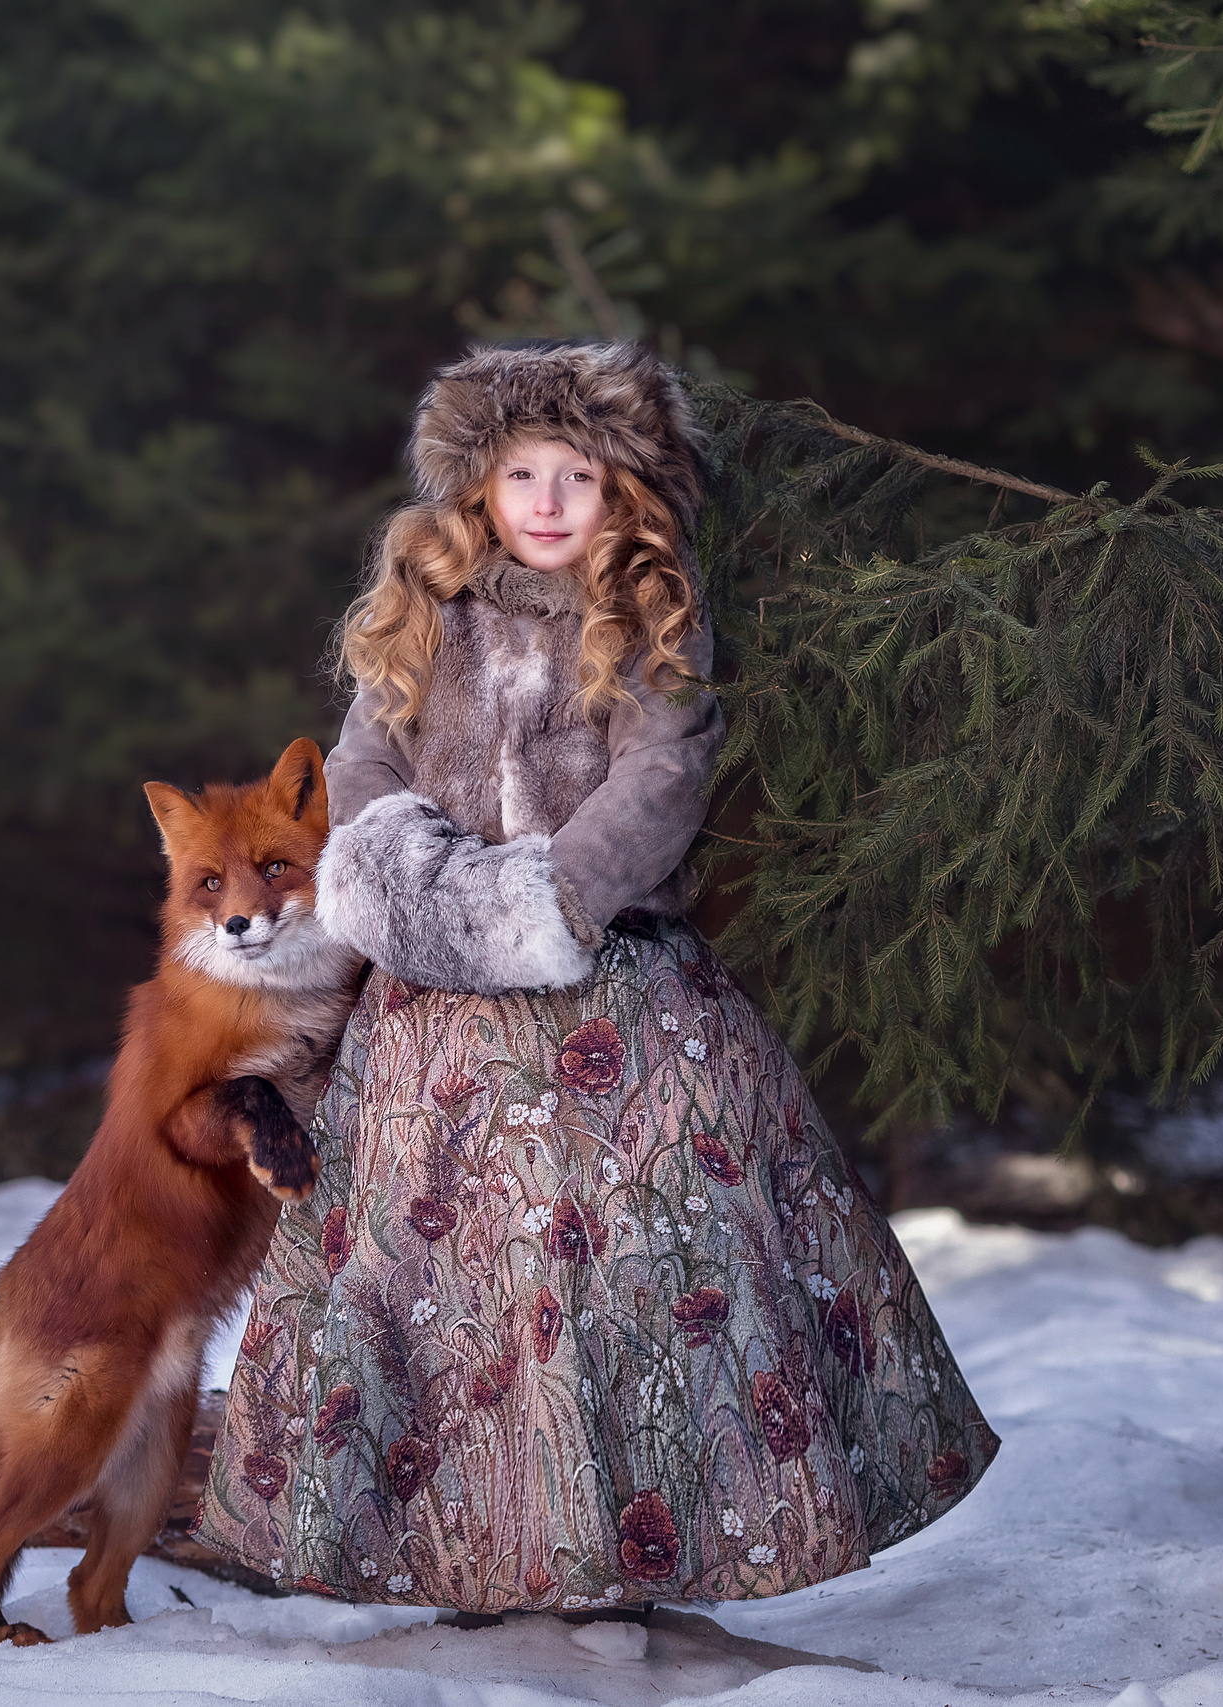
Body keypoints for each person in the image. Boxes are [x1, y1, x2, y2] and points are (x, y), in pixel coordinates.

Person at [194, 341, 996, 1617]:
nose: (550, 501)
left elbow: (662, 778)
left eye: (578, 474)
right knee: (447, 1278)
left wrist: (549, 899)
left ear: (622, 485)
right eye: (523, 474)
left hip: (611, 990)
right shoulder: (427, 609)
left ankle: (625, 1563)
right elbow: (361, 768)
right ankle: (468, 1555)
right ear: (478, 485)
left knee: (631, 1264)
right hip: (431, 1010)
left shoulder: (645, 610)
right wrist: (405, 879)